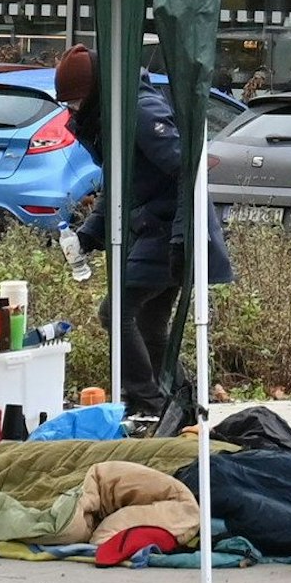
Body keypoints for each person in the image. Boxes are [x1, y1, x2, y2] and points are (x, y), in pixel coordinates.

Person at [54, 44, 234, 424]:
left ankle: (147, 401)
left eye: (74, 101)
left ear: (94, 91)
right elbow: (121, 184)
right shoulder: (112, 114)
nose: (71, 110)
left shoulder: (137, 109)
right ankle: (175, 402)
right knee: (150, 323)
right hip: (155, 228)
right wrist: (88, 235)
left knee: (116, 312)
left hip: (167, 229)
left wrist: (181, 239)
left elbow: (188, 168)